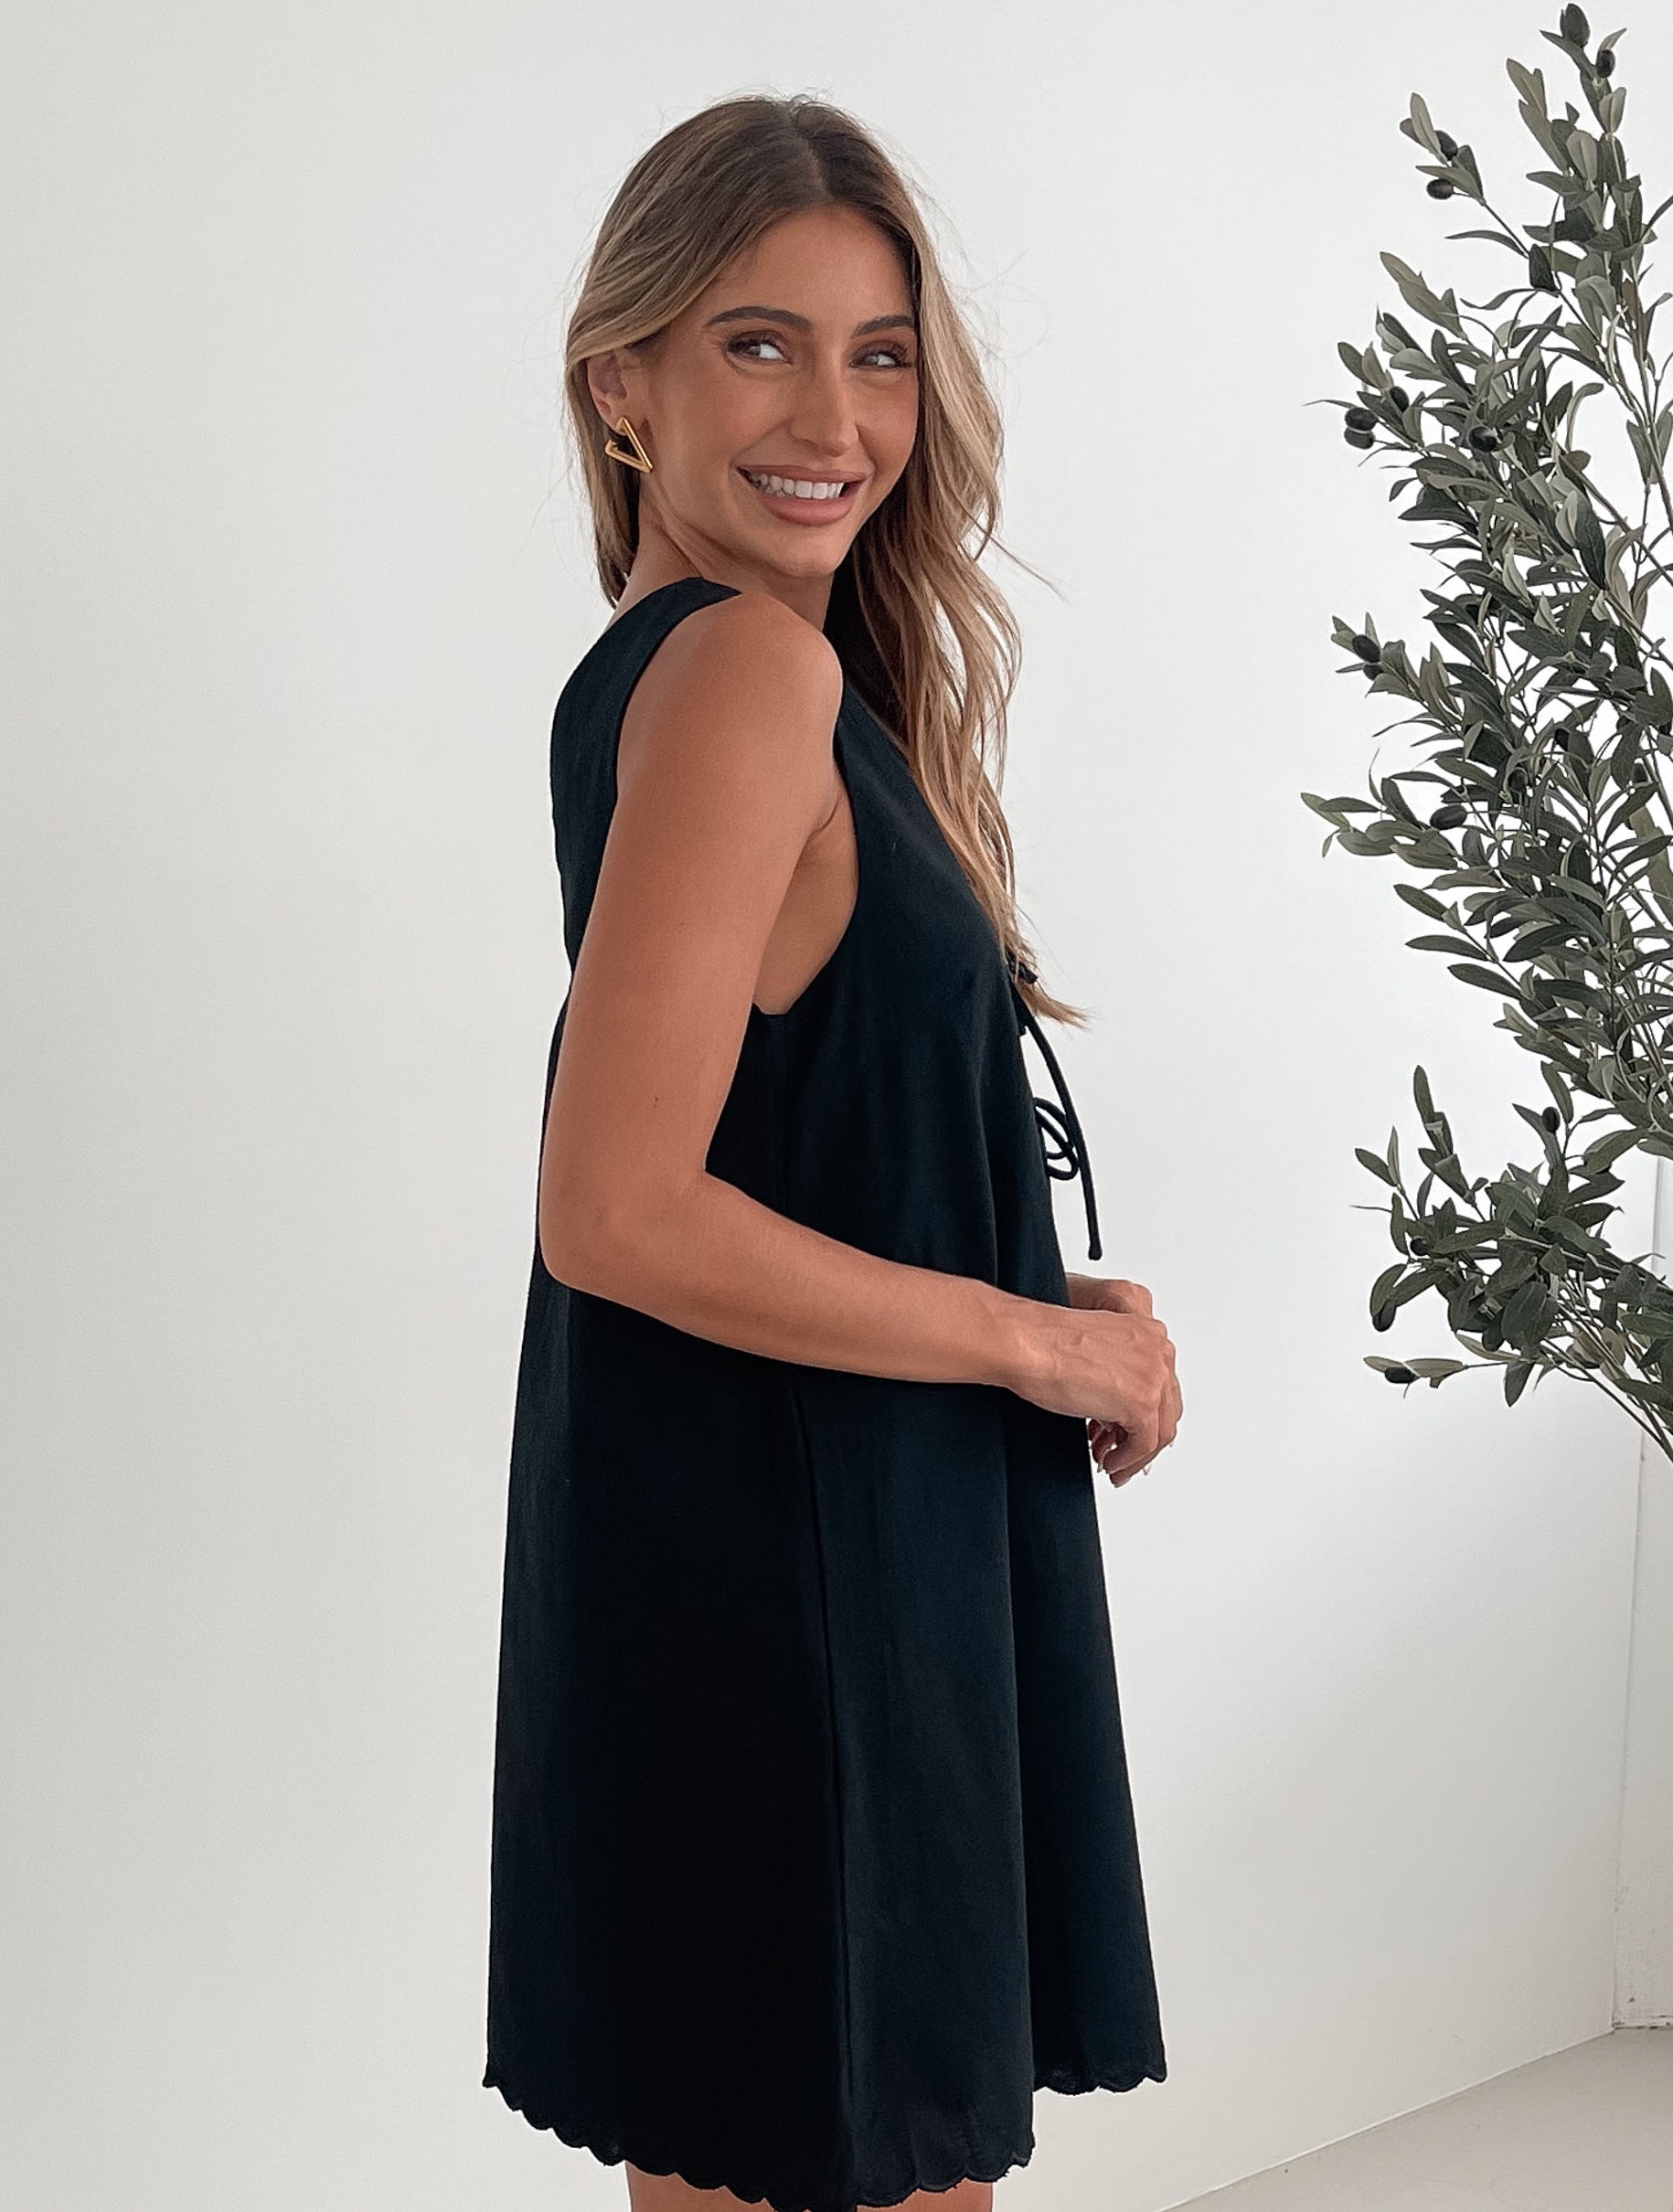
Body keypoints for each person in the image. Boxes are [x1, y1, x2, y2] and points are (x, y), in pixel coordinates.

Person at [485, 91, 1182, 2212]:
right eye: (756, 343)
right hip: (812, 1587)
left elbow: (777, 1143)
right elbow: (614, 1208)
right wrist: (1030, 1345)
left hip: (783, 1541)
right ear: (622, 381)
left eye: (878, 353)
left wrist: (1026, 1281)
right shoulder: (740, 675)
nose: (835, 415)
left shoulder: (727, 675)